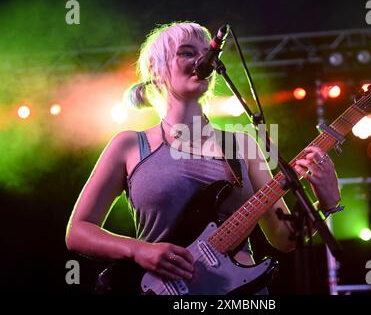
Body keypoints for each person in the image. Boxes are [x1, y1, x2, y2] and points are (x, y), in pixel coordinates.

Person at [65, 21, 342, 294]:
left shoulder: (242, 144)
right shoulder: (129, 145)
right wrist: (139, 250)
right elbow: (78, 232)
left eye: (208, 52)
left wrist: (325, 204)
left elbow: (284, 238)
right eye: (187, 52)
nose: (203, 59)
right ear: (156, 69)